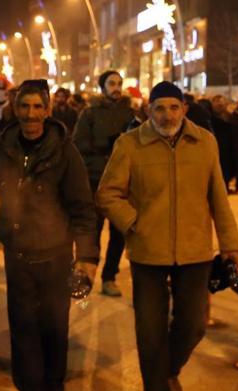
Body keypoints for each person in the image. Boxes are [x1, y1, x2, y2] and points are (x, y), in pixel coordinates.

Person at [97, 81, 238, 391]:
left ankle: (169, 371)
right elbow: (107, 194)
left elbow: (218, 198)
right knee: (149, 329)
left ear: (184, 109)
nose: (167, 115)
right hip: (148, 252)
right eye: (160, 108)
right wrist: (135, 223)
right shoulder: (129, 144)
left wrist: (230, 245)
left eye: (174, 107)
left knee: (193, 325)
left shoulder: (205, 143)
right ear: (148, 111)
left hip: (195, 252)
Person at [0, 79, 98, 391]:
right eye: (24, 107)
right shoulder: (3, 146)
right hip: (19, 256)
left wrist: (87, 259)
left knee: (54, 327)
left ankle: (54, 389)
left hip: (56, 256)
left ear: (47, 110)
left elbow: (83, 208)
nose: (31, 115)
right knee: (24, 329)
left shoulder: (65, 150)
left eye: (37, 107)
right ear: (16, 109)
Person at [72, 69, 134, 297]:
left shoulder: (131, 113)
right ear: (103, 86)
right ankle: (87, 275)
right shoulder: (89, 113)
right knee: (93, 231)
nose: (116, 87)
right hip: (96, 180)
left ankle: (110, 277)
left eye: (119, 83)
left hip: (122, 184)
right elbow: (78, 143)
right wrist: (104, 144)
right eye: (111, 83)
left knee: (119, 233)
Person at [209, 95, 238, 188]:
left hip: (228, 150)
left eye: (221, 104)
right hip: (215, 149)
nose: (219, 105)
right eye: (217, 103)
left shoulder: (231, 117)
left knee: (226, 170)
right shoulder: (209, 118)